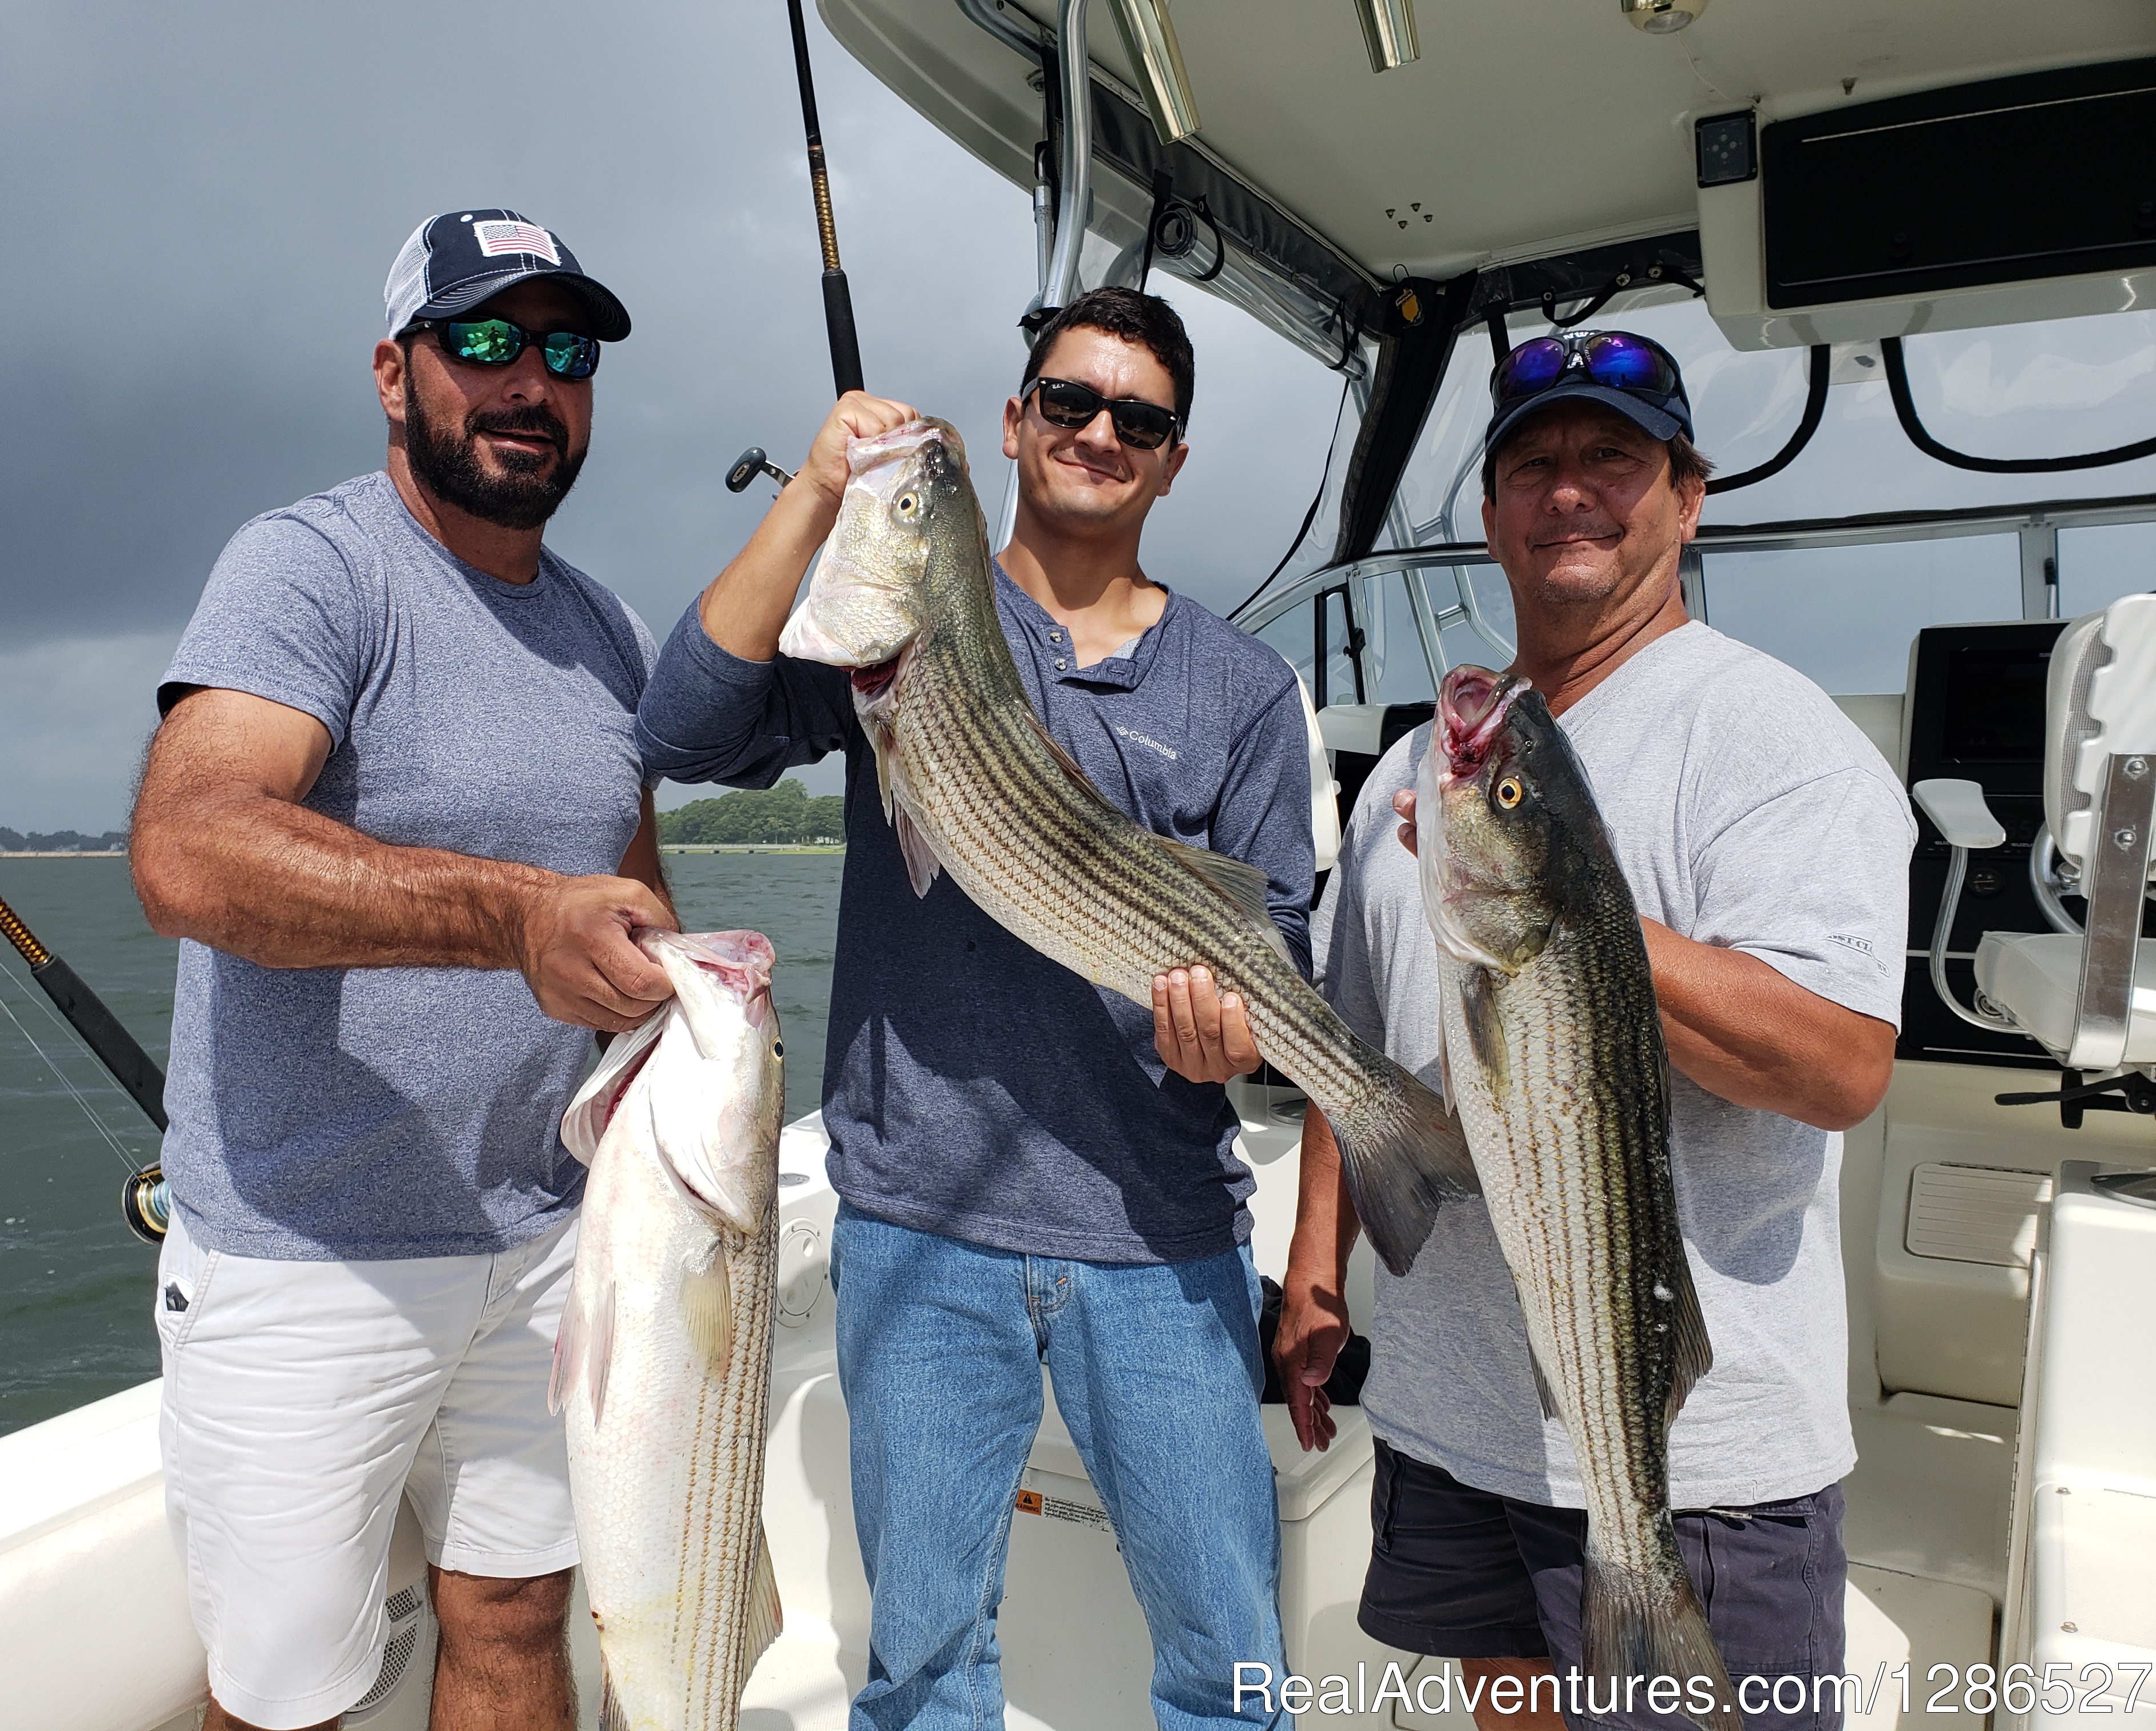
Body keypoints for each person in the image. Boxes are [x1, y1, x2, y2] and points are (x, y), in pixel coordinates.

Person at [636, 287, 1306, 1730]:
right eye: (1067, 401)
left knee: (1233, 1667)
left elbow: (1282, 945)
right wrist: (823, 491)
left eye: (1140, 418)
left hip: (1160, 1232)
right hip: (919, 1229)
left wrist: (1250, 1037)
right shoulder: (889, 634)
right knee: (926, 1666)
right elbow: (683, 728)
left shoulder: (1245, 688)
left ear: (1177, 459)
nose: (1099, 434)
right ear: (1015, 424)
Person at [1275, 330, 1912, 1731]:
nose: (1570, 491)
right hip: (1451, 1419)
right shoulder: (1429, 766)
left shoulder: (1770, 739)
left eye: (1613, 459)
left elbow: (1840, 1065)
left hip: (1697, 1455)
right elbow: (1355, 1039)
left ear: (1687, 496)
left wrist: (1572, 915)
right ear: (1493, 512)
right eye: (1534, 465)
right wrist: (1316, 1261)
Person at [128, 208, 674, 1731]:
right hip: (304, 1255)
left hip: (548, 1244)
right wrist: (511, 918)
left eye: (565, 352)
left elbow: (630, 897)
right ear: (395, 373)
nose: (530, 383)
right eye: (484, 340)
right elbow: (191, 848)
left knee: (514, 1621)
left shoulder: (606, 633)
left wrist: (685, 1044)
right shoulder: (309, 570)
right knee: (283, 1698)